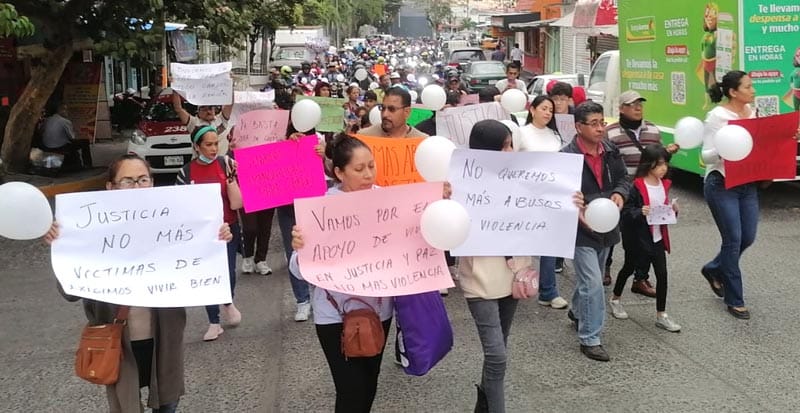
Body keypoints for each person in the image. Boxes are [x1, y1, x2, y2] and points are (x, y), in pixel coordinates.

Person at [46, 154, 234, 413]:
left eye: (143, 179)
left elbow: (200, 265)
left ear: (152, 183)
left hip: (164, 336)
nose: (137, 187)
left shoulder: (174, 219)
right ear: (110, 187)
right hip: (118, 340)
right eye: (128, 181)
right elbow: (69, 292)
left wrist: (216, 237)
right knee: (126, 406)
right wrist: (61, 247)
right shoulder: (89, 228)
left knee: (168, 402)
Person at [288, 134, 393, 413]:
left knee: (369, 384)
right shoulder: (321, 208)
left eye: (371, 166)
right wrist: (300, 247)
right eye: (359, 169)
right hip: (334, 316)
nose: (368, 174)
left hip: (380, 312)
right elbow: (298, 270)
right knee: (350, 390)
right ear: (338, 172)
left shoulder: (390, 202)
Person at [459, 119, 536, 412]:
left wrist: (570, 202)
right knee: (497, 355)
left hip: (514, 275)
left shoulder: (520, 179)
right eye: (503, 145)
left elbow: (544, 211)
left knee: (499, 347)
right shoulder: (462, 185)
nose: (509, 151)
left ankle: (484, 407)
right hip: (480, 280)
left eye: (510, 144)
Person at [561, 101, 630, 362]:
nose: (601, 128)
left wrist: (619, 194)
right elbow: (557, 194)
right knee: (593, 282)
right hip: (580, 229)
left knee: (591, 278)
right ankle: (590, 338)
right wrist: (575, 205)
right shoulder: (565, 157)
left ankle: (577, 311)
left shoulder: (611, 151)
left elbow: (625, 179)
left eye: (602, 122)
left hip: (606, 225)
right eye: (594, 124)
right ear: (578, 127)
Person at [604, 90, 680, 292]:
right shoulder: (610, 132)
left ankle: (640, 278)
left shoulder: (653, 131)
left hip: (646, 190)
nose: (637, 108)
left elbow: (659, 159)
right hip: (621, 189)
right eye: (631, 104)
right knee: (612, 227)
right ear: (621, 108)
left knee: (647, 231)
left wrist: (668, 153)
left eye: (640, 104)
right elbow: (606, 164)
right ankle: (606, 266)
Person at [176, 126, 243, 340]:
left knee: (229, 272)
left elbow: (237, 203)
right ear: (197, 146)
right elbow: (181, 207)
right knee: (209, 276)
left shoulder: (226, 164)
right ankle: (213, 321)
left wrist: (232, 179)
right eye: (208, 144)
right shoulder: (185, 173)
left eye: (216, 144)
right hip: (202, 235)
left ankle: (227, 300)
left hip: (228, 229)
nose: (214, 149)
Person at [701, 71, 758, 319]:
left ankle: (713, 268)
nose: (753, 90)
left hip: (747, 182)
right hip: (721, 183)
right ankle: (735, 299)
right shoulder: (717, 116)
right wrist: (724, 149)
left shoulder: (753, 113)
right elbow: (705, 156)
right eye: (748, 86)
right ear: (733, 92)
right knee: (733, 239)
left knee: (748, 237)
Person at [609, 144, 681, 332]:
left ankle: (661, 314)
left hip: (657, 237)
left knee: (662, 275)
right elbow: (625, 212)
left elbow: (662, 211)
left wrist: (672, 211)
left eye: (665, 164)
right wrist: (639, 211)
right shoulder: (637, 185)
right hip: (637, 238)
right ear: (648, 165)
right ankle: (615, 299)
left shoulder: (664, 184)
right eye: (659, 165)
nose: (663, 168)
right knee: (628, 268)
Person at [516, 96, 569, 311]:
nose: (548, 113)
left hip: (551, 197)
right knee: (520, 243)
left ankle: (548, 291)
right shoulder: (521, 133)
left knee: (550, 244)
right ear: (533, 109)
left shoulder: (555, 135)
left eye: (551, 110)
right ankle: (515, 286)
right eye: (544, 108)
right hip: (525, 197)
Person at [358, 86, 428, 138]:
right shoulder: (365, 136)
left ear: (407, 112)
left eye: (392, 109)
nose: (385, 114)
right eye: (383, 108)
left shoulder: (421, 141)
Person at [40, 102, 93, 169]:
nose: (67, 112)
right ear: (61, 110)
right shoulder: (65, 121)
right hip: (60, 146)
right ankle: (87, 165)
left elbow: (41, 131)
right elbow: (72, 137)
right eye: (65, 109)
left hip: (46, 145)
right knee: (85, 142)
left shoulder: (47, 120)